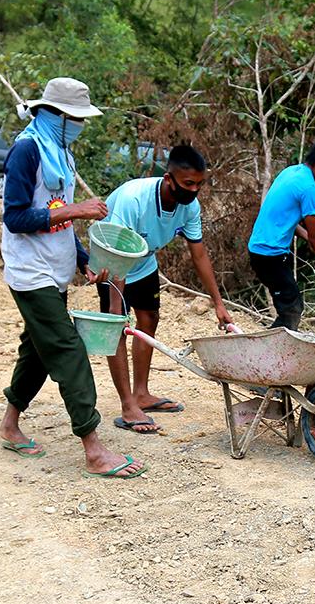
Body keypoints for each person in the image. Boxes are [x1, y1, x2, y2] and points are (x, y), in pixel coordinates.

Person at [0, 76, 146, 478]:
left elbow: (56, 213)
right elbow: (15, 218)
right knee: (67, 350)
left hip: (55, 268)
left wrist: (82, 259)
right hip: (30, 273)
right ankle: (94, 448)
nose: (79, 125)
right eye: (75, 117)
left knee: (37, 350)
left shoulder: (59, 151)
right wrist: (77, 211)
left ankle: (9, 425)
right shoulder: (26, 151)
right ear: (56, 115)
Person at [97, 144, 234, 432]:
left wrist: (218, 303)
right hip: (112, 260)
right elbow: (120, 251)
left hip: (144, 261)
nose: (194, 190)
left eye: (199, 184)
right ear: (169, 178)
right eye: (188, 183)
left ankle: (142, 393)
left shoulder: (189, 207)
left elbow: (199, 253)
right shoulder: (134, 199)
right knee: (117, 328)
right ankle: (127, 405)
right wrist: (114, 307)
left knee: (149, 318)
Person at [247, 132, 315, 330]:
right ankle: (273, 353)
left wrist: (308, 237)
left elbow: (284, 219)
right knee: (292, 308)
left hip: (259, 250)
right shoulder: (309, 188)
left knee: (289, 304)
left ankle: (275, 348)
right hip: (270, 256)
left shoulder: (291, 172)